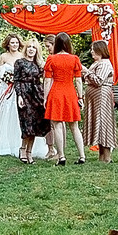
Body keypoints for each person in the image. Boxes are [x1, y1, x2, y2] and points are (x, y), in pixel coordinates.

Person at [42, 34, 86, 164]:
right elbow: (78, 80)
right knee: (74, 126)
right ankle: (82, 156)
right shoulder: (75, 59)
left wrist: (45, 97)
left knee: (57, 125)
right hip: (70, 92)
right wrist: (80, 96)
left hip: (56, 92)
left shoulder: (51, 59)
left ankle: (61, 157)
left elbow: (47, 81)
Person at [11, 39, 49, 165]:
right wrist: (19, 96)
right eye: (29, 47)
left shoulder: (39, 64)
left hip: (37, 94)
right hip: (24, 93)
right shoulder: (19, 62)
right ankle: (22, 149)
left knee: (35, 123)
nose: (31, 49)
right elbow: (16, 80)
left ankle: (29, 152)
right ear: (26, 49)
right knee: (26, 122)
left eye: (34, 47)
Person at [83, 44, 117, 163]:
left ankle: (107, 157)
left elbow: (98, 81)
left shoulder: (104, 63)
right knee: (98, 123)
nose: (91, 51)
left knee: (103, 123)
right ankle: (101, 156)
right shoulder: (97, 63)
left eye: (93, 49)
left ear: (100, 50)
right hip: (95, 98)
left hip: (101, 97)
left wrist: (86, 71)